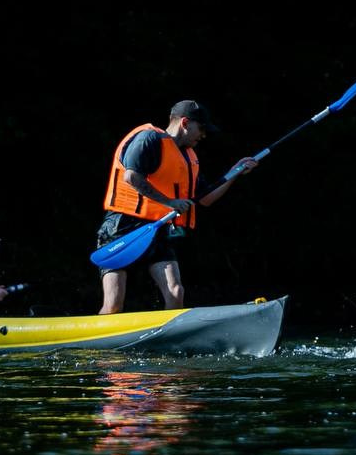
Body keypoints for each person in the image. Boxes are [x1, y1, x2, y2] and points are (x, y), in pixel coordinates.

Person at [97, 99, 257, 314]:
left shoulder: (187, 157)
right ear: (185, 123)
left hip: (157, 229)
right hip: (122, 226)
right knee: (114, 303)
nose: (204, 135)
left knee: (175, 292)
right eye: (201, 128)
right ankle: (96, 346)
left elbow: (205, 199)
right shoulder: (149, 139)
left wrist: (234, 173)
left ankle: (166, 342)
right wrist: (170, 202)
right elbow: (132, 177)